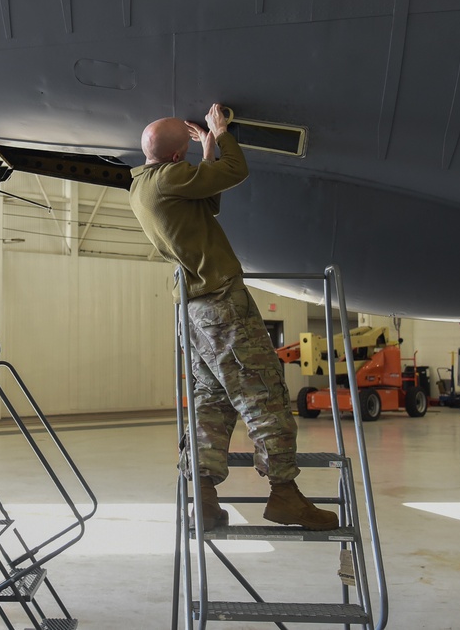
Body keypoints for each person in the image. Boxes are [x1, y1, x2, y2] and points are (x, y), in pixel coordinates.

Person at [129, 103, 338, 532]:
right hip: (223, 305)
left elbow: (207, 200)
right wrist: (221, 134)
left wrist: (203, 153)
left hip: (195, 312)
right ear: (174, 157)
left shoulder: (145, 185)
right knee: (265, 396)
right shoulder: (171, 177)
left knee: (210, 402)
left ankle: (203, 497)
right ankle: (285, 494)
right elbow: (233, 172)